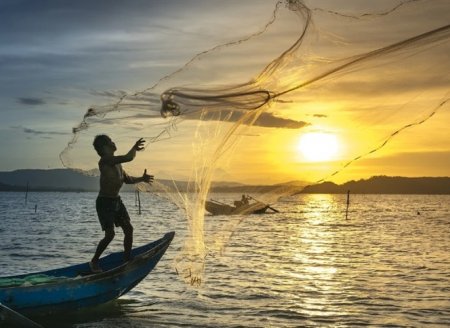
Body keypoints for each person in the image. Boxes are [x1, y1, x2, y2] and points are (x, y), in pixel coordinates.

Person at [89, 135, 153, 273]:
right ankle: (94, 262)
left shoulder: (118, 164)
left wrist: (142, 178)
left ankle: (126, 260)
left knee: (128, 229)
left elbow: (127, 179)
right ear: (104, 148)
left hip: (116, 201)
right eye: (110, 141)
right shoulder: (105, 160)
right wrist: (134, 148)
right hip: (104, 202)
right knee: (110, 234)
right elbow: (128, 157)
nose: (113, 142)